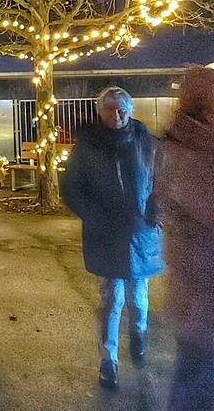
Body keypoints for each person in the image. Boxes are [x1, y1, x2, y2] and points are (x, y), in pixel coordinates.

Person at [61, 86, 163, 390]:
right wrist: (92, 215)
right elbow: (71, 187)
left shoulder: (147, 143)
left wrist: (155, 212)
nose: (116, 115)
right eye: (110, 110)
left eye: (121, 109)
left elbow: (162, 182)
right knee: (111, 299)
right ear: (100, 112)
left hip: (140, 233)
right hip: (105, 234)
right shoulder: (87, 146)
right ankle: (108, 361)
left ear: (130, 110)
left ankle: (139, 335)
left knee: (138, 297)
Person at [153, 67, 214, 409]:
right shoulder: (191, 151)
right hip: (200, 297)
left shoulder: (182, 144)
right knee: (196, 385)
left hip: (195, 295)